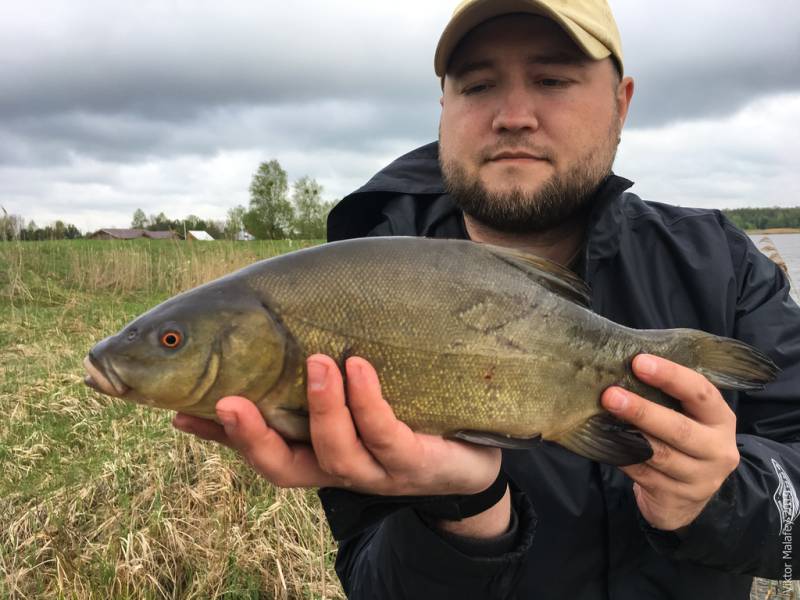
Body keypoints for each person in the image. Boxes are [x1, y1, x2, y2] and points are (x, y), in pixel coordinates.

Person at [173, 1, 800, 598]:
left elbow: (790, 538)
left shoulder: (724, 266)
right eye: (477, 86)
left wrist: (723, 497)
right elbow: (371, 586)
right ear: (443, 107)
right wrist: (466, 510)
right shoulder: (352, 294)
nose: (514, 115)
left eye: (552, 79)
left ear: (621, 103)